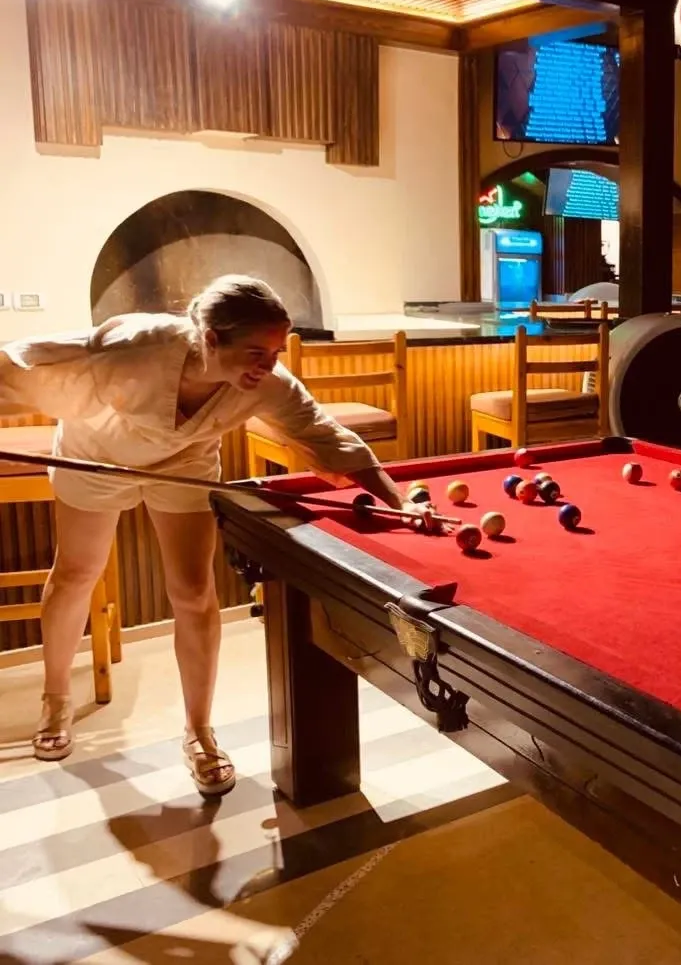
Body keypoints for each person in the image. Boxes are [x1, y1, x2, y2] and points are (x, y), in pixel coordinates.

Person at [0, 275, 432, 791]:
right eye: (255, 352)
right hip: (96, 454)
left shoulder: (268, 382)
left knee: (193, 591)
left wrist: (399, 502)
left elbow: (325, 434)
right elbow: (25, 366)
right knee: (76, 574)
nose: (268, 365)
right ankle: (55, 701)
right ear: (210, 339)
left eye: (275, 352)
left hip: (184, 463)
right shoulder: (136, 346)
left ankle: (199, 730)